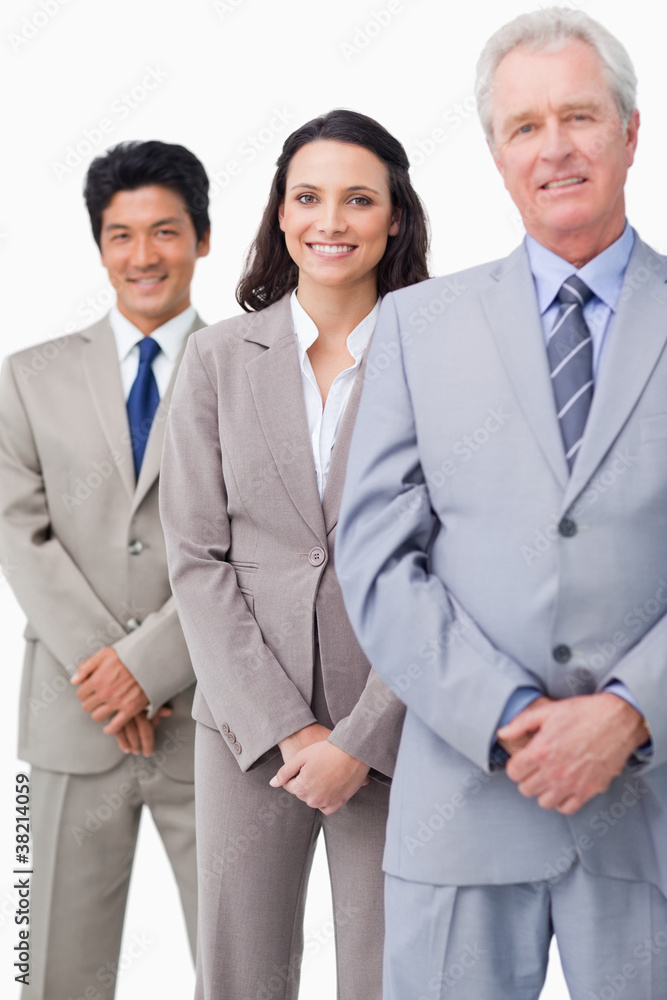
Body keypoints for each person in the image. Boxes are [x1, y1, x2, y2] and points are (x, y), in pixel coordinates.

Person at [336, 10, 667, 1000]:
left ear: (630, 133)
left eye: (579, 116)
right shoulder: (415, 326)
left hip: (650, 811)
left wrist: (631, 710)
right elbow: (377, 560)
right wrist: (509, 715)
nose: (554, 147)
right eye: (525, 126)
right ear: (495, 155)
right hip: (465, 810)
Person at [159, 109, 429, 999]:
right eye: (308, 198)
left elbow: (453, 565)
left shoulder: (439, 357)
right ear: (280, 213)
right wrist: (288, 726)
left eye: (359, 199)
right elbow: (196, 557)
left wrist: (360, 736)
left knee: (389, 978)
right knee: (240, 978)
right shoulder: (215, 359)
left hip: (391, 727)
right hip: (245, 729)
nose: (330, 221)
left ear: (395, 216)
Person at [0, 140, 210, 999]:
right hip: (71, 716)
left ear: (201, 239)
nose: (143, 255)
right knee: (51, 970)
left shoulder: (251, 371)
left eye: (165, 231)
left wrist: (149, 668)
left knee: (242, 969)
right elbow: (19, 535)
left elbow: (259, 545)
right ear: (99, 247)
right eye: (121, 235)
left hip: (212, 720)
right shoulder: (29, 377)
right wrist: (111, 673)